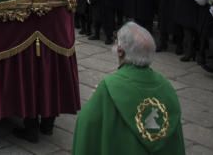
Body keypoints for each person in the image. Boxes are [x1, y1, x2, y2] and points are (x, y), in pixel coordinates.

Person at [72, 22, 185, 154]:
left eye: (116, 41)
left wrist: (95, 100)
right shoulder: (167, 87)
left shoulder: (109, 87)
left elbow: (85, 125)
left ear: (120, 51)